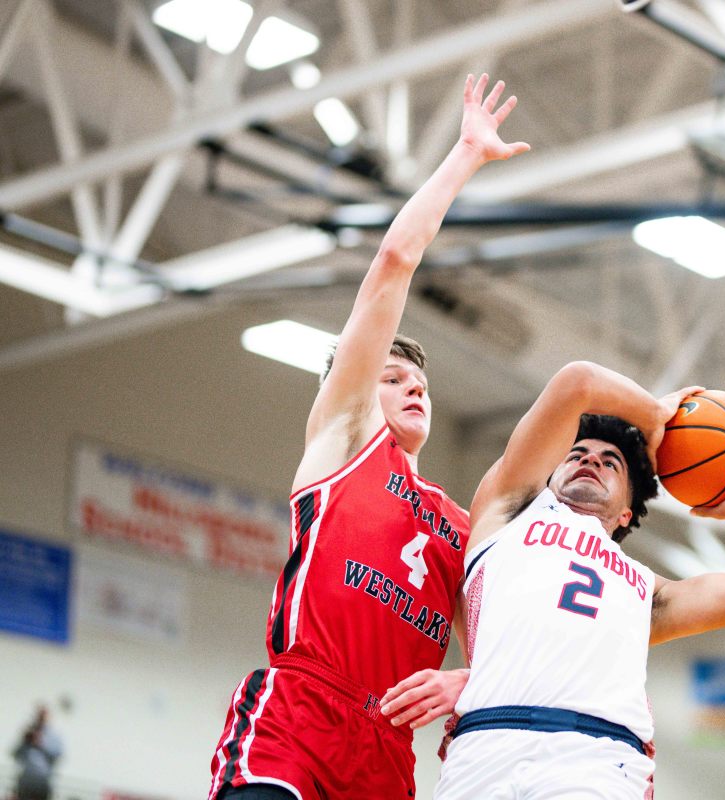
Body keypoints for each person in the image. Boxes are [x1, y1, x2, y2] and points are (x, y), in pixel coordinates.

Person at [207, 73, 530, 800]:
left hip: (387, 756)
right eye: (392, 377)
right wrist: (466, 159)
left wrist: (466, 680)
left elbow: (512, 648)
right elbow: (393, 264)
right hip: (299, 718)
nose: (413, 385)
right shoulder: (348, 441)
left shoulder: (458, 526)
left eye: (419, 381)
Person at [381, 362, 725, 798]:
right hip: (483, 748)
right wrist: (655, 416)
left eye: (610, 463)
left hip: (596, 759)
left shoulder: (648, 589)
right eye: (577, 455)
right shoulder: (506, 512)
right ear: (549, 476)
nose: (590, 461)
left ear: (626, 512)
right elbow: (577, 382)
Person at [11, 706, 62, 800]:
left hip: (43, 779)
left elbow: (57, 756)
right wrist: (24, 742)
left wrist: (41, 744)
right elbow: (15, 755)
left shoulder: (53, 736)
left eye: (42, 716)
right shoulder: (28, 734)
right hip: (26, 779)